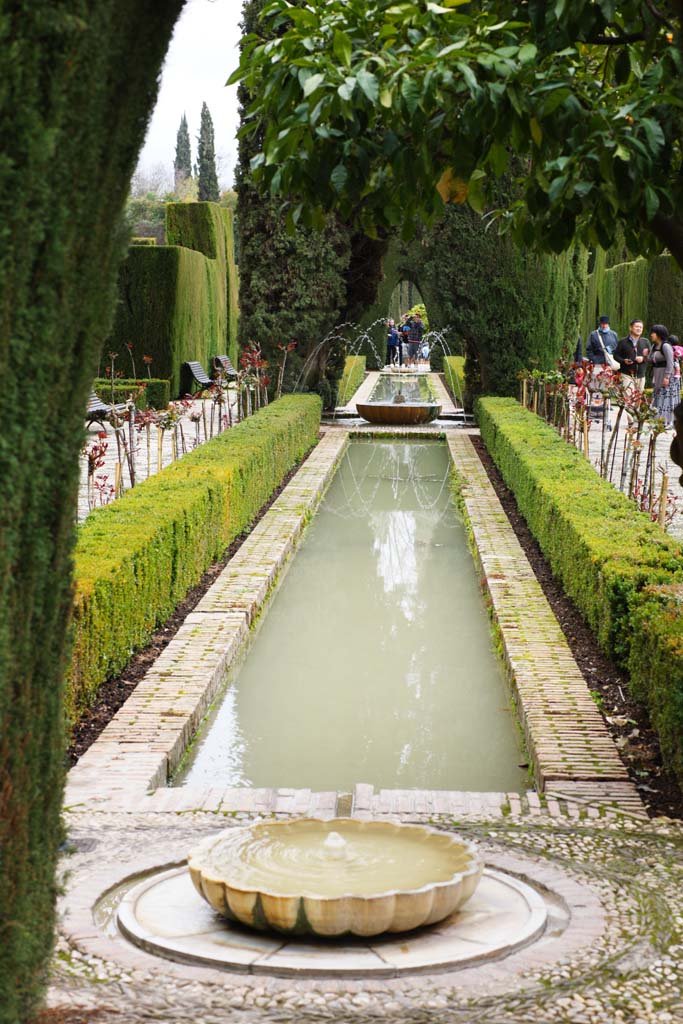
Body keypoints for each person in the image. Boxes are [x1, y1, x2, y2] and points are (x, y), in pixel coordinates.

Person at [648, 324, 679, 428]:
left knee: (667, 398)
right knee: (658, 396)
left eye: (653, 332)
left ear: (659, 334)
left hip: (666, 375)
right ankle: (658, 420)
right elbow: (650, 360)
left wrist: (667, 377)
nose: (651, 334)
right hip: (657, 374)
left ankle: (668, 422)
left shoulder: (666, 346)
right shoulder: (654, 346)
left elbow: (670, 362)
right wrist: (645, 355)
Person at [614, 318, 649, 392]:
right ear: (630, 327)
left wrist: (643, 358)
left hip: (641, 376)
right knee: (629, 400)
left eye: (641, 327)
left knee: (638, 400)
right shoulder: (622, 342)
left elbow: (651, 357)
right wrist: (624, 361)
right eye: (637, 326)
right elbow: (616, 355)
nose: (639, 329)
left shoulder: (645, 342)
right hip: (626, 375)